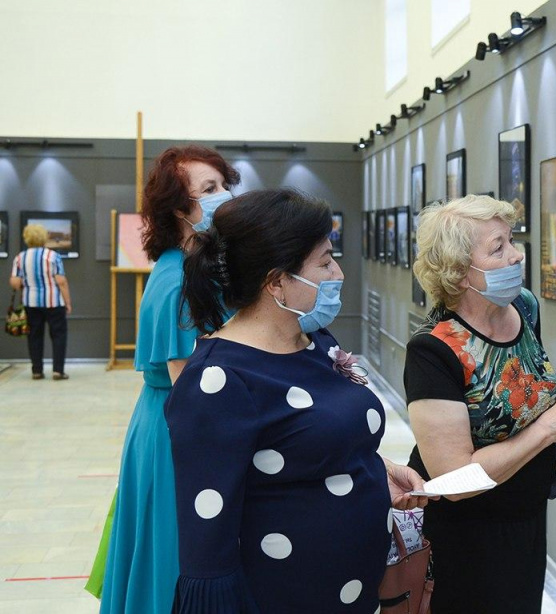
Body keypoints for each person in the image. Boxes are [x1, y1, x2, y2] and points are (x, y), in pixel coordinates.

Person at [166, 189, 429, 612]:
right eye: (324, 262)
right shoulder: (218, 379)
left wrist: (379, 469)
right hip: (283, 595)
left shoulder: (315, 340)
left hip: (354, 589)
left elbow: (314, 436)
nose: (339, 273)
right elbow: (207, 540)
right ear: (277, 282)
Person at [404, 195, 556, 613]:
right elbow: (453, 479)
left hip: (526, 519)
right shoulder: (433, 350)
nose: (516, 255)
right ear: (457, 271)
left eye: (512, 240)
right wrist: (545, 430)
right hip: (466, 535)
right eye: (498, 247)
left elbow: (529, 394)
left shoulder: (523, 306)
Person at [87, 145, 240, 613]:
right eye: (209, 189)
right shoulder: (175, 280)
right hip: (177, 431)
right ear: (179, 208)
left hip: (178, 425)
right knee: (176, 554)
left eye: (225, 185)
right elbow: (193, 390)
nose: (225, 196)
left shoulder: (199, 267)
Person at [9, 224, 72, 380]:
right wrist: (68, 302)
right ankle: (58, 371)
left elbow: (15, 283)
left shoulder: (20, 258)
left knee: (34, 336)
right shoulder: (53, 256)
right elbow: (61, 282)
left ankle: (37, 370)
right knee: (58, 336)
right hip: (54, 302)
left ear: (27, 238)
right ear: (44, 237)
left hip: (31, 303)